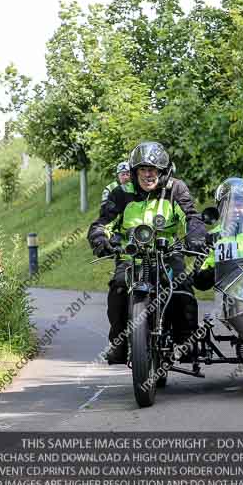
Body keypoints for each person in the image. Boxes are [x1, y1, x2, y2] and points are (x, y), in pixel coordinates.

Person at [87, 142, 207, 364]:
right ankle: (119, 344)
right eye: (142, 169)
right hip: (131, 256)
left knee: (182, 286)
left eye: (153, 169)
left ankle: (187, 341)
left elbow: (191, 216)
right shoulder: (121, 193)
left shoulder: (175, 188)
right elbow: (102, 223)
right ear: (135, 172)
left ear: (163, 171)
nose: (148, 174)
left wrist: (197, 236)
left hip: (168, 253)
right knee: (119, 287)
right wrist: (100, 239)